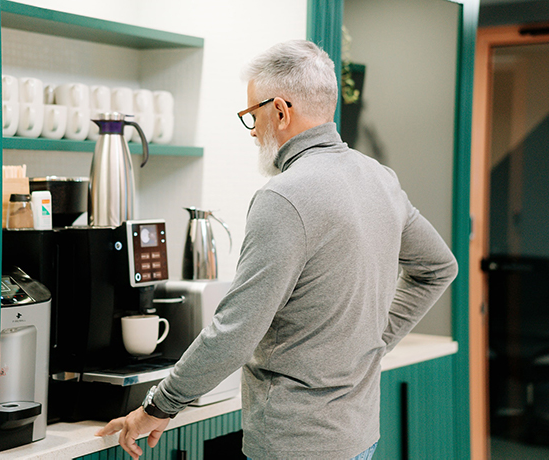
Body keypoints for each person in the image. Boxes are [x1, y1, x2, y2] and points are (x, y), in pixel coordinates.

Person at [96, 39, 458, 460]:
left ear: (281, 111)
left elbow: (235, 331)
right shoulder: (379, 178)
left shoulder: (284, 197)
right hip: (358, 437)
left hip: (295, 445)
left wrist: (159, 406)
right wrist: (374, 342)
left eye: (252, 115)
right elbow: (439, 267)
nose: (252, 132)